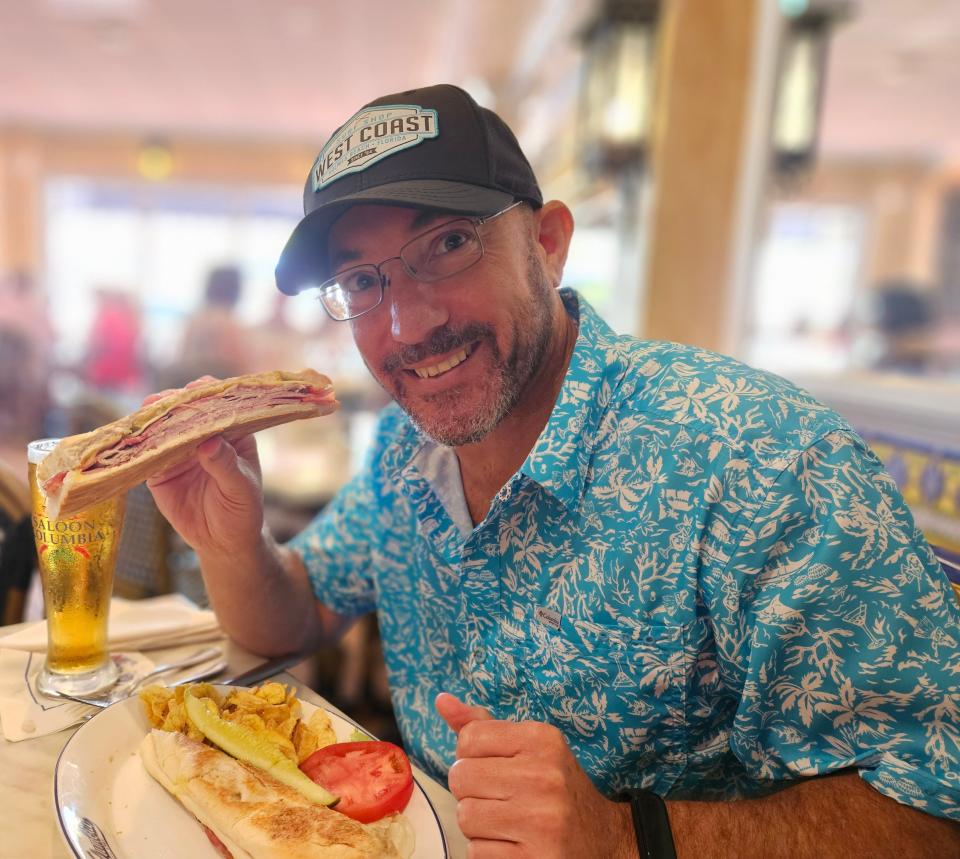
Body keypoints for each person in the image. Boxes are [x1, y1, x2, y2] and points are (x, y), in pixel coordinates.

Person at [146, 85, 960, 857]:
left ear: (549, 242)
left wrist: (625, 835)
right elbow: (293, 618)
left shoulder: (758, 457)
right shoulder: (406, 448)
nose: (408, 322)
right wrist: (229, 539)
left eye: (448, 245)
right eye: (363, 280)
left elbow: (934, 813)